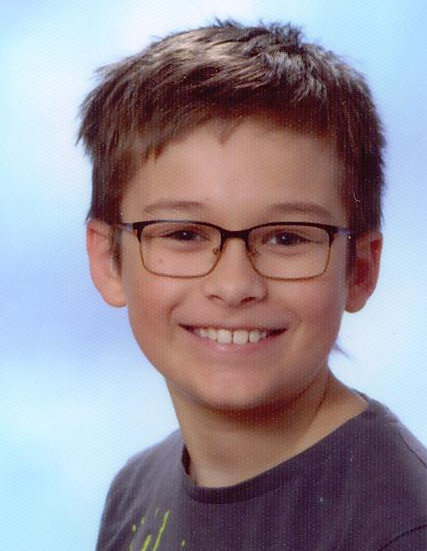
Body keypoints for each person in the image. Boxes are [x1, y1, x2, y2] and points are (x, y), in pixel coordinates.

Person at [78, 20, 427, 551]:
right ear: (108, 260)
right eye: (185, 234)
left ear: (360, 269)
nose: (235, 285)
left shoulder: (401, 529)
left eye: (286, 238)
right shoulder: (135, 494)